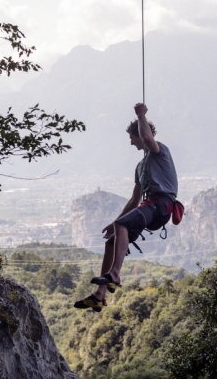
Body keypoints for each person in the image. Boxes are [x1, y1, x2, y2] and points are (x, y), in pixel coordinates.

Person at [74, 103, 178, 311]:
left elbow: (148, 138)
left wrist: (141, 115)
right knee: (111, 242)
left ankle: (115, 274)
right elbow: (134, 201)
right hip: (151, 207)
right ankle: (100, 295)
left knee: (123, 225)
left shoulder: (160, 151)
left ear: (140, 134)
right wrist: (114, 223)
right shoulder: (140, 167)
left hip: (162, 204)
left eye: (133, 138)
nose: (132, 143)